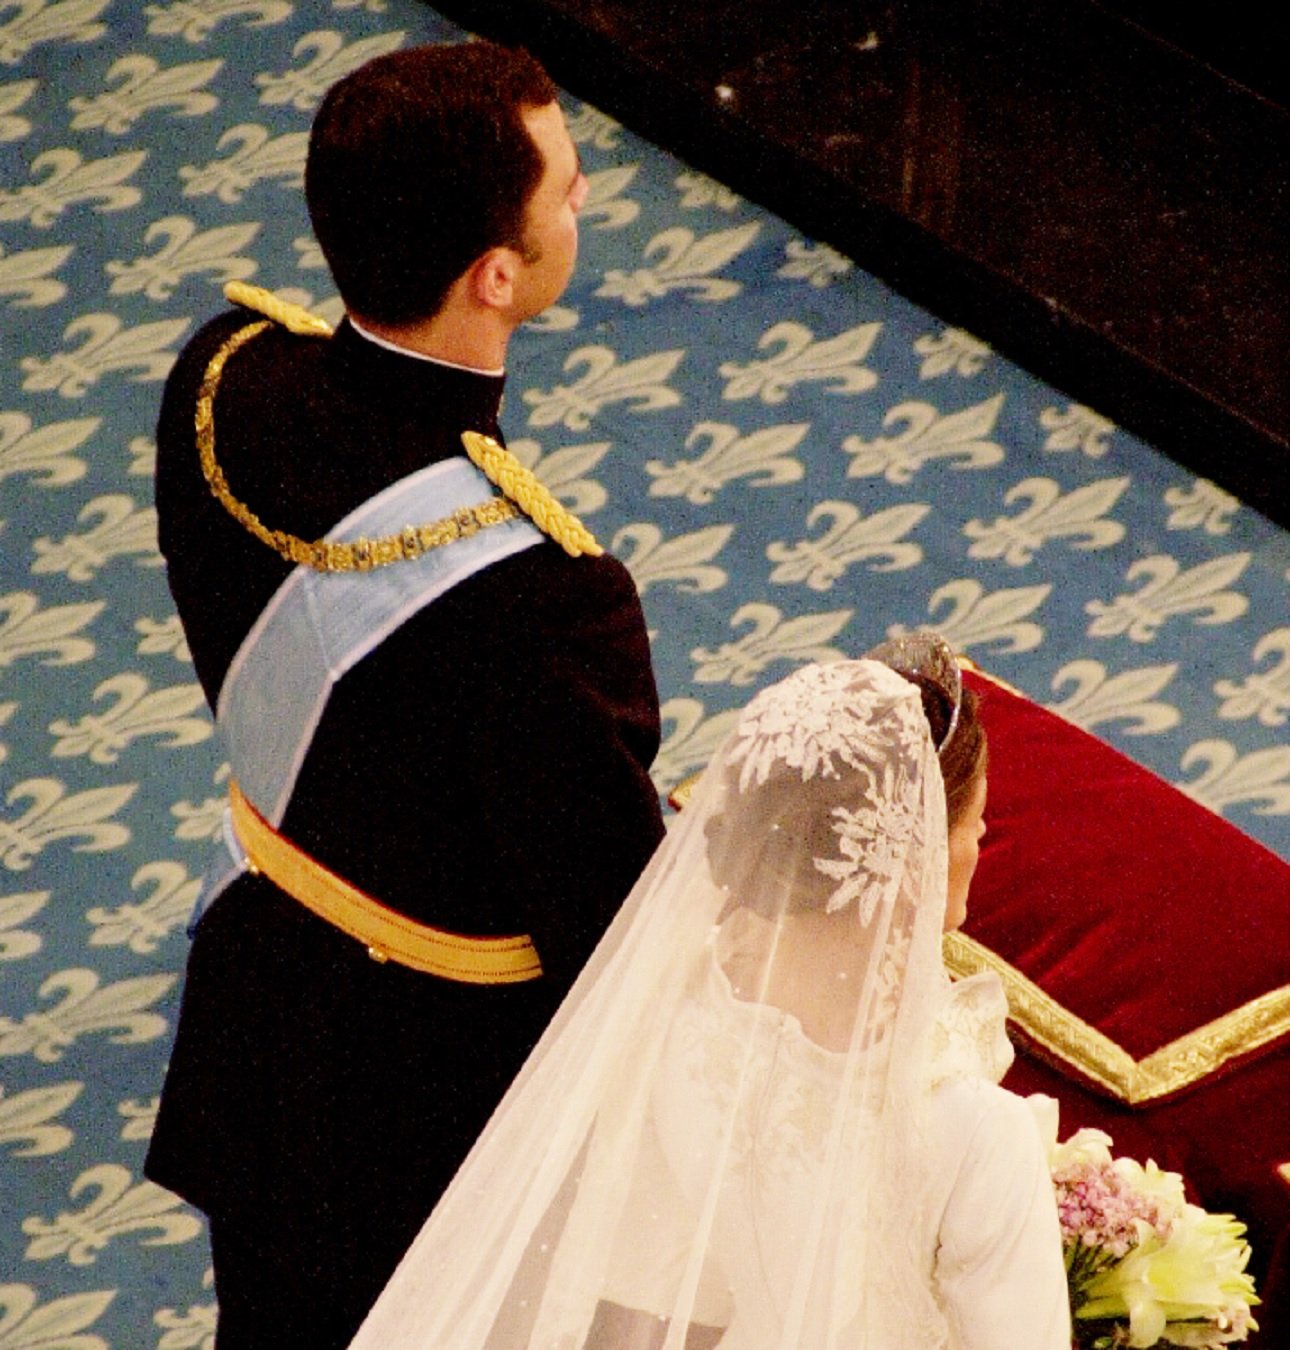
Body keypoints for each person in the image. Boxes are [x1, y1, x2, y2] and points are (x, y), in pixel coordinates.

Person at [144, 40, 665, 1347]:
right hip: (434, 1103)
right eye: (566, 190)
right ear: (496, 275)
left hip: (258, 1012)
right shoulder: (549, 593)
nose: (582, 200)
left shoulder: (226, 376)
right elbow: (609, 931)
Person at [351, 640, 1072, 1348]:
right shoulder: (977, 1132)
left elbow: (647, 1270)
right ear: (913, 859)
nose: (981, 841)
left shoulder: (683, 1002)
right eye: (975, 824)